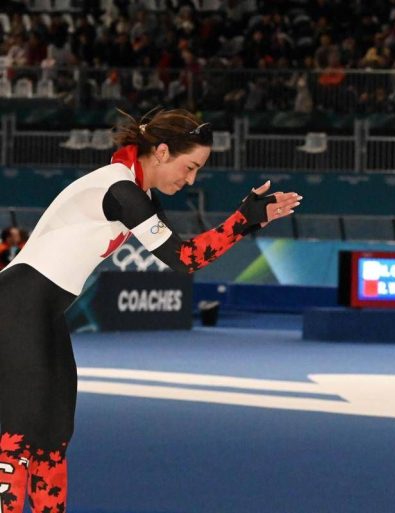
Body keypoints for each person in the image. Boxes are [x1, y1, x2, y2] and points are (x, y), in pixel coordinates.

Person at [0, 108, 302, 513]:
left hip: (41, 314)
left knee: (53, 437)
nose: (190, 180)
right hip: (16, 308)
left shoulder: (135, 192)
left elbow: (185, 253)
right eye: (190, 167)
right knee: (19, 438)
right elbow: (185, 258)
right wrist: (242, 219)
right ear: (161, 152)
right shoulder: (120, 190)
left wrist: (249, 221)